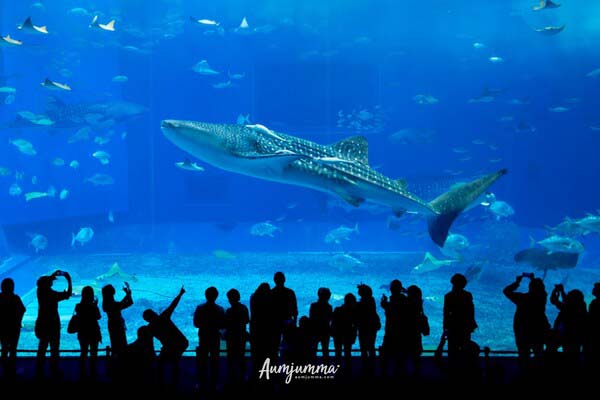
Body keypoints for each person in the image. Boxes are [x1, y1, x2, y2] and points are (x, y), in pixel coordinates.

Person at [143, 286, 189, 386]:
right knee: (171, 362)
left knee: (164, 363)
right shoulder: (163, 317)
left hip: (174, 345)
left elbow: (147, 342)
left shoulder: (150, 328)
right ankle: (173, 383)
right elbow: (173, 305)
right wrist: (180, 294)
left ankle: (165, 383)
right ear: (154, 314)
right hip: (178, 343)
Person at [503, 273, 549, 368]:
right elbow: (539, 290)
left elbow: (506, 291)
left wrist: (517, 282)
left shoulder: (522, 298)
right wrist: (532, 279)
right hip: (538, 329)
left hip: (522, 331)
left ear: (530, 287)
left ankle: (524, 373)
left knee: (524, 355)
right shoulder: (542, 298)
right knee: (538, 353)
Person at [35, 269, 72, 379]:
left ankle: (39, 371)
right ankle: (54, 371)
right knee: (54, 349)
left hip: (42, 323)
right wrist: (69, 280)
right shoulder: (52, 294)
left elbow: (43, 283)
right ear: (47, 283)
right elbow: (68, 294)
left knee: (42, 347)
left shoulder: (40, 291)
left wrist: (51, 276)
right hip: (53, 324)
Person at [193, 286, 225, 391]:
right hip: (215, 337)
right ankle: (214, 383)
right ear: (216, 296)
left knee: (203, 361)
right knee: (215, 361)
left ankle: (202, 383)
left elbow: (196, 324)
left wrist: (205, 324)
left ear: (205, 295)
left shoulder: (200, 308)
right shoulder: (220, 309)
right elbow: (222, 325)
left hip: (204, 337)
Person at [550, 284, 587, 367]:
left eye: (569, 295)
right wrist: (562, 291)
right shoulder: (581, 305)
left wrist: (555, 291)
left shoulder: (567, 307)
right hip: (577, 335)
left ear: (572, 298)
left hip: (566, 334)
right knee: (574, 354)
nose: (568, 296)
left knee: (567, 353)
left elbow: (553, 300)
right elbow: (567, 301)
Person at [443, 273, 477, 363]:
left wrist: (445, 328)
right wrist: (472, 323)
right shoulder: (467, 295)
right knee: (465, 348)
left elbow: (446, 314)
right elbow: (471, 310)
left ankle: (454, 368)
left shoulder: (448, 296)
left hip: (453, 326)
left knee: (453, 350)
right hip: (464, 326)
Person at [380, 279, 408, 377]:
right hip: (403, 333)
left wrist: (384, 305)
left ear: (391, 289)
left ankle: (385, 374)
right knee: (400, 356)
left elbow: (392, 315)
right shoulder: (405, 300)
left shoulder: (393, 301)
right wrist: (406, 292)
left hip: (391, 332)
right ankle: (400, 373)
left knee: (386, 356)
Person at [73, 285, 102, 380]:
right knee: (94, 353)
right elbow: (98, 317)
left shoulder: (78, 306)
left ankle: (82, 372)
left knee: (83, 352)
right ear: (92, 295)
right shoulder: (93, 306)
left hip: (82, 332)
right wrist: (95, 305)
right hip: (93, 332)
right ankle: (93, 373)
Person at [0, 277, 26, 379]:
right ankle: (12, 371)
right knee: (13, 350)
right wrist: (19, 320)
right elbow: (23, 309)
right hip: (14, 327)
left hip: (2, 327)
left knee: (4, 349)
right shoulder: (15, 298)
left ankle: (5, 371)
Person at [224, 288, 249, 385]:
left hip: (231, 336)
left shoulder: (229, 311)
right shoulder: (244, 308)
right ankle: (243, 376)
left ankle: (232, 378)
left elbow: (225, 323)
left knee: (231, 357)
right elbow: (247, 320)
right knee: (241, 356)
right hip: (241, 335)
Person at [270, 272, 298, 360]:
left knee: (274, 345)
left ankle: (274, 364)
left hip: (275, 322)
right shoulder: (290, 292)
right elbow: (295, 309)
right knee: (288, 345)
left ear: (274, 280)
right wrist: (294, 322)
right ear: (284, 280)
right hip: (288, 321)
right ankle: (288, 363)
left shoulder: (271, 293)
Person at [102, 282, 133, 357]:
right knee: (119, 344)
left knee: (117, 344)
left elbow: (129, 302)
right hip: (116, 325)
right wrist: (128, 294)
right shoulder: (109, 304)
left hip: (114, 324)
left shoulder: (107, 303)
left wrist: (128, 294)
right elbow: (124, 304)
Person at [355, 283, 380, 375]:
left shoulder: (363, 302)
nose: (358, 292)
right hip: (372, 326)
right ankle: (372, 366)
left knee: (364, 348)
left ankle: (365, 366)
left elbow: (359, 312)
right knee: (371, 346)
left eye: (360, 290)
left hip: (364, 327)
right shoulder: (371, 300)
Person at [249, 282, 273, 376]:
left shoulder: (253, 297)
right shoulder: (269, 299)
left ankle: (256, 372)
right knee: (267, 352)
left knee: (256, 352)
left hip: (255, 328)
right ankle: (267, 372)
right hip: (267, 329)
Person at [331, 293, 357, 373]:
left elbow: (333, 322)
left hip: (338, 334)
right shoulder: (353, 312)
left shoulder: (337, 309)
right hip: (348, 335)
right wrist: (354, 335)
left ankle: (337, 370)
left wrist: (332, 332)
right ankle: (348, 370)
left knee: (338, 353)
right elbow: (355, 325)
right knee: (347, 353)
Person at [309, 287, 333, 359]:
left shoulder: (313, 305)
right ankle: (327, 366)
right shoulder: (329, 307)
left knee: (313, 350)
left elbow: (311, 318)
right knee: (325, 350)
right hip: (325, 330)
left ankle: (312, 367)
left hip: (314, 330)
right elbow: (329, 319)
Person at [587, 283, 600, 372]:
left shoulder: (595, 303)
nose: (593, 289)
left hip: (593, 333)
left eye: (595, 288)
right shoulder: (594, 302)